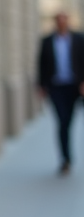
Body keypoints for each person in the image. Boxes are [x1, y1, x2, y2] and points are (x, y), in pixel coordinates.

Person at [38, 12, 84, 174]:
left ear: (68, 22)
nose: (61, 23)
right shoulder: (47, 41)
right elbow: (41, 64)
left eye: (64, 20)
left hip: (73, 86)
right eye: (58, 21)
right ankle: (65, 158)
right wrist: (41, 86)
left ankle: (67, 157)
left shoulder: (79, 39)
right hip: (55, 86)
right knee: (62, 120)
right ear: (55, 23)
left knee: (68, 121)